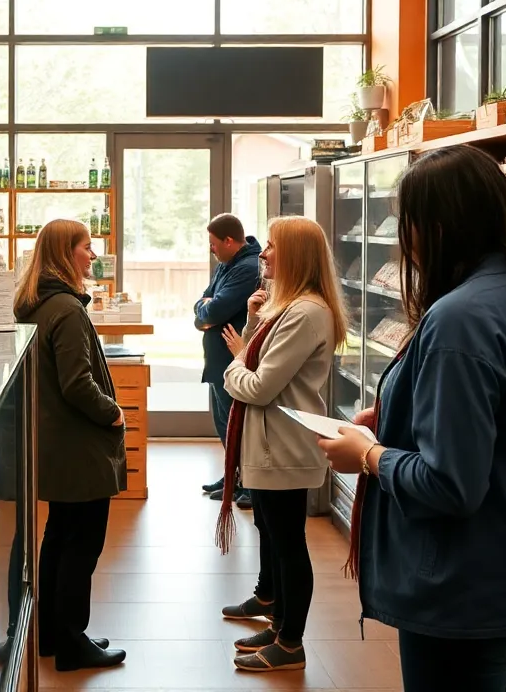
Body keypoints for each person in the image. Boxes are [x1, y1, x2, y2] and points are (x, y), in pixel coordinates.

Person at [317, 145, 506, 692]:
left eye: (409, 223)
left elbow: (450, 484)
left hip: (467, 596)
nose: (406, 242)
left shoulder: (460, 318)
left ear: (440, 226)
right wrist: (398, 414)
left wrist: (368, 455)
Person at [215, 215, 346, 672]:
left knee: (288, 544)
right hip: (274, 444)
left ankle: (291, 644)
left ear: (293, 255)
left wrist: (232, 365)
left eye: (270, 246)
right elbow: (261, 363)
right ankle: (280, 624)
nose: (262, 253)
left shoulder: (307, 313)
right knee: (275, 537)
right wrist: (252, 322)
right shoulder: (289, 307)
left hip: (283, 447)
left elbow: (256, 385)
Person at [14, 218, 127, 672]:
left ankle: (51, 633)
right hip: (79, 446)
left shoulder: (38, 303)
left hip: (55, 442)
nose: (93, 255)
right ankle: (72, 644)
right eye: (86, 247)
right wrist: (114, 413)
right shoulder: (67, 308)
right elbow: (78, 384)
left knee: (58, 538)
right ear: (65, 253)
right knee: (83, 544)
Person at [194, 214, 262, 507]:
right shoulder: (227, 265)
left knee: (237, 424)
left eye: (213, 244)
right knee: (223, 422)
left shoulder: (246, 269)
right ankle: (232, 476)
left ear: (229, 241)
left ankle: (248, 484)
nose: (211, 250)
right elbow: (203, 304)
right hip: (218, 361)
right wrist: (205, 310)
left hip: (232, 361)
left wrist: (207, 311)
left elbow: (214, 310)